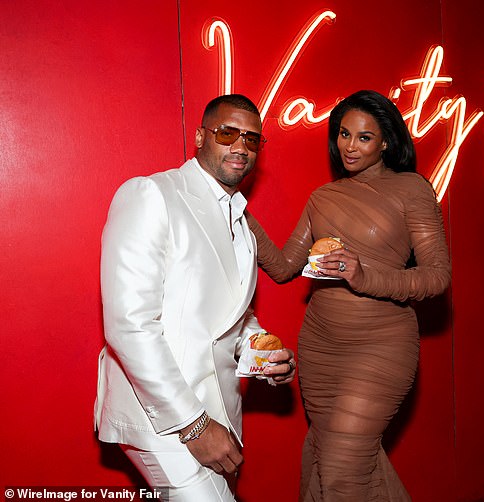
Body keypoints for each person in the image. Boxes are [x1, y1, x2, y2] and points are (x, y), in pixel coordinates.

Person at [246, 89, 451, 500]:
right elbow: (286, 266)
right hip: (322, 347)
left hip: (381, 346)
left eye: (363, 137)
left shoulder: (412, 190)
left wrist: (366, 276)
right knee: (335, 460)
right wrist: (237, 212)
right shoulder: (323, 197)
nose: (349, 146)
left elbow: (437, 276)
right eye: (343, 134)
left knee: (342, 467)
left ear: (386, 141)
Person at [94, 94, 296, 502]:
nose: (241, 146)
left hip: (220, 410)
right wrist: (193, 425)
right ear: (201, 136)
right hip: (162, 414)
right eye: (228, 133)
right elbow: (129, 324)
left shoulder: (241, 222)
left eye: (252, 139)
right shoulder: (152, 193)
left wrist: (261, 352)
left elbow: (234, 319)